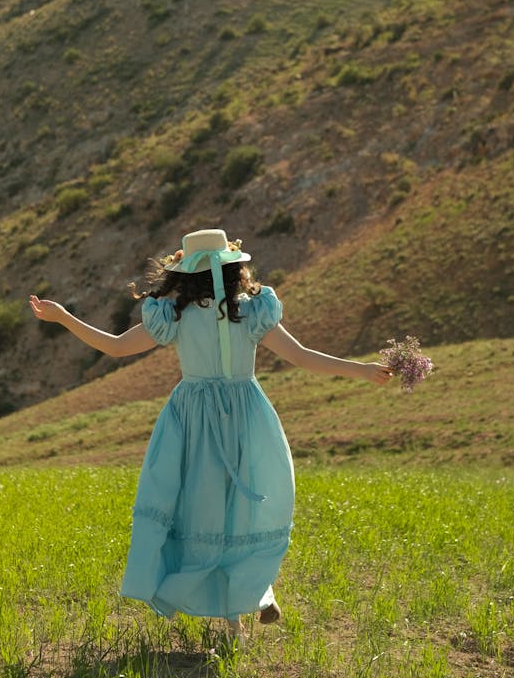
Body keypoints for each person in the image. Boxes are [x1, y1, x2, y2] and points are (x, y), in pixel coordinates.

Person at [29, 228, 391, 641]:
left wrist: (62, 317)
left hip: (192, 418)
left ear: (184, 273)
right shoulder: (251, 310)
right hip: (245, 414)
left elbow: (113, 346)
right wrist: (360, 369)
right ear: (234, 267)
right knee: (245, 507)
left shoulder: (174, 314)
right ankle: (251, 598)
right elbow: (302, 357)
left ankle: (240, 606)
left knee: (199, 509)